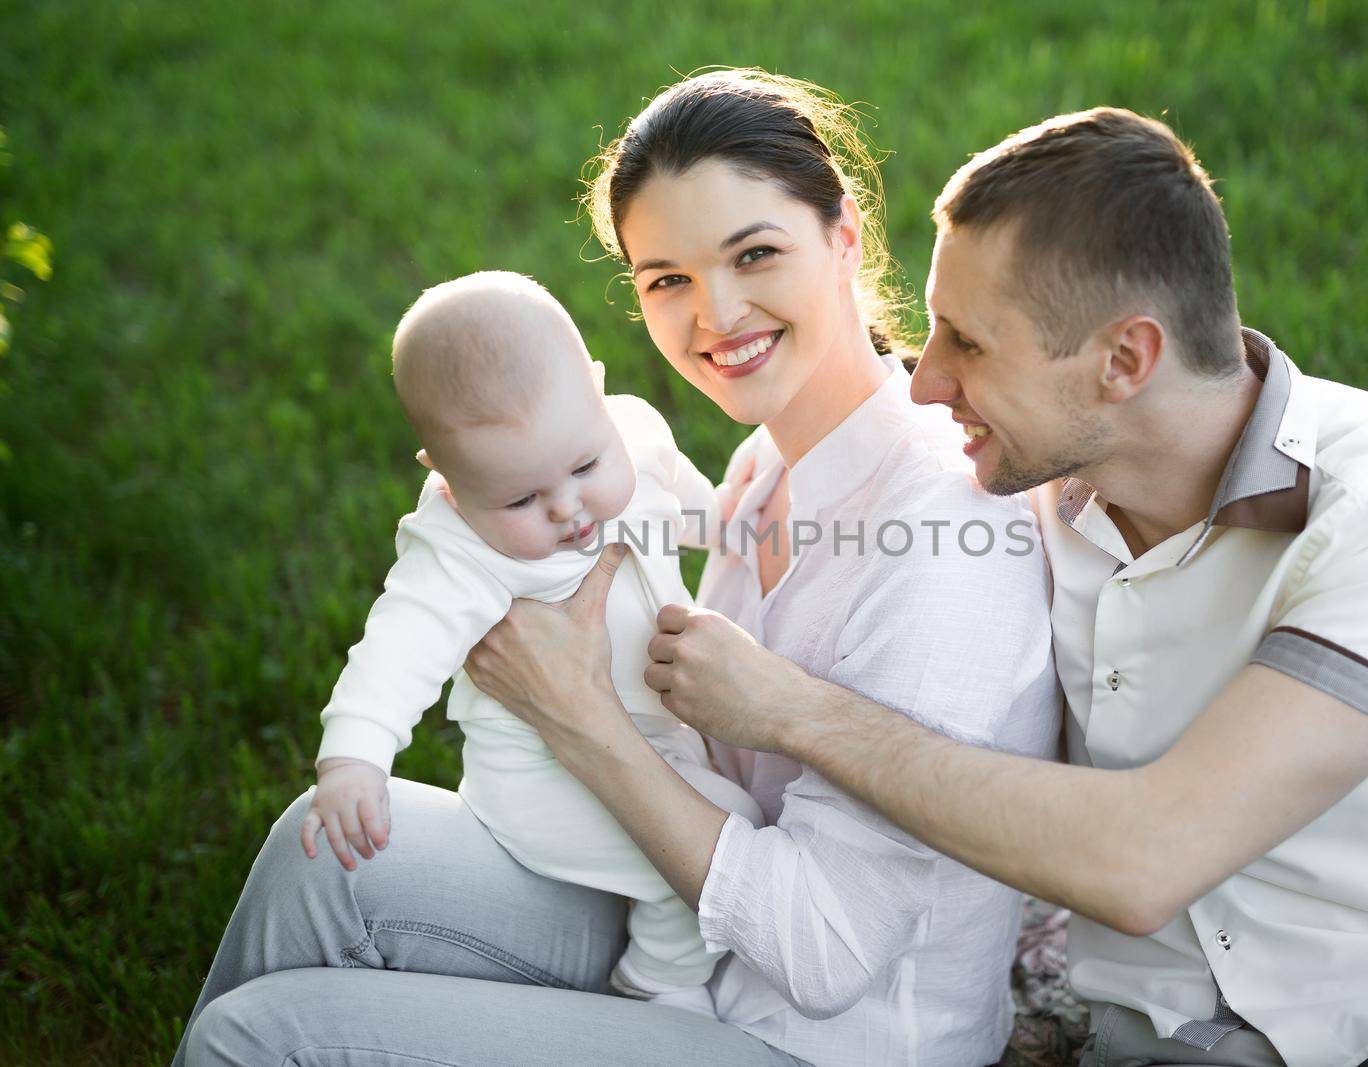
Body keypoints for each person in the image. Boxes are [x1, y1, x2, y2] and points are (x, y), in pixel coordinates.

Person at [644, 108, 1368, 1066]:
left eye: (968, 345)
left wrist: (797, 712)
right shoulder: (1026, 496)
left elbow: (1147, 859)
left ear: (1125, 360)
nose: (926, 382)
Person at [175, 71, 1061, 1067]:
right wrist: (479, 511)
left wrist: (580, 716)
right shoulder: (764, 467)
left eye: (754, 253)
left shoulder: (937, 537)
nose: (715, 313)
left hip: (816, 1035)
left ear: (844, 234)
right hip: (692, 925)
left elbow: (827, 955)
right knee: (318, 855)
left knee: (256, 1037)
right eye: (666, 279)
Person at [301, 270, 764, 1016]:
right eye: (520, 499)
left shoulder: (633, 434)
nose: (568, 508)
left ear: (597, 388)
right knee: (703, 855)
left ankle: (651, 942)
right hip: (536, 777)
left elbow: (679, 493)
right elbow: (398, 644)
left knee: (729, 814)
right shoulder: (460, 548)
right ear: (445, 479)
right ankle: (657, 978)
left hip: (652, 740)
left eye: (584, 466)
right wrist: (354, 755)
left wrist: (722, 523)